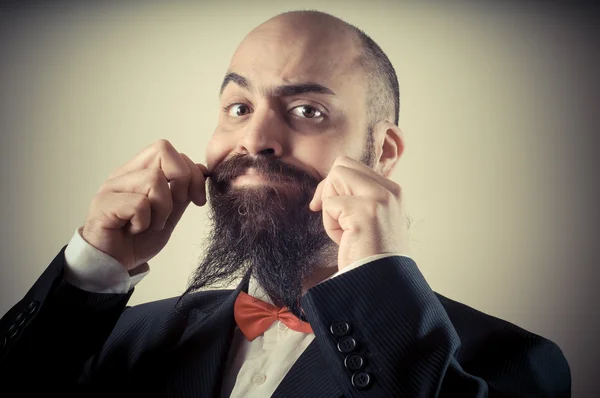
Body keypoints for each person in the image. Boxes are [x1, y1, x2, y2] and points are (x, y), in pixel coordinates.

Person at [0, 10, 570, 398]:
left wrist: (377, 278)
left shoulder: (509, 363)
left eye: (307, 111)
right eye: (238, 107)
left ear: (383, 151)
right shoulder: (118, 339)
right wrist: (92, 268)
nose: (255, 141)